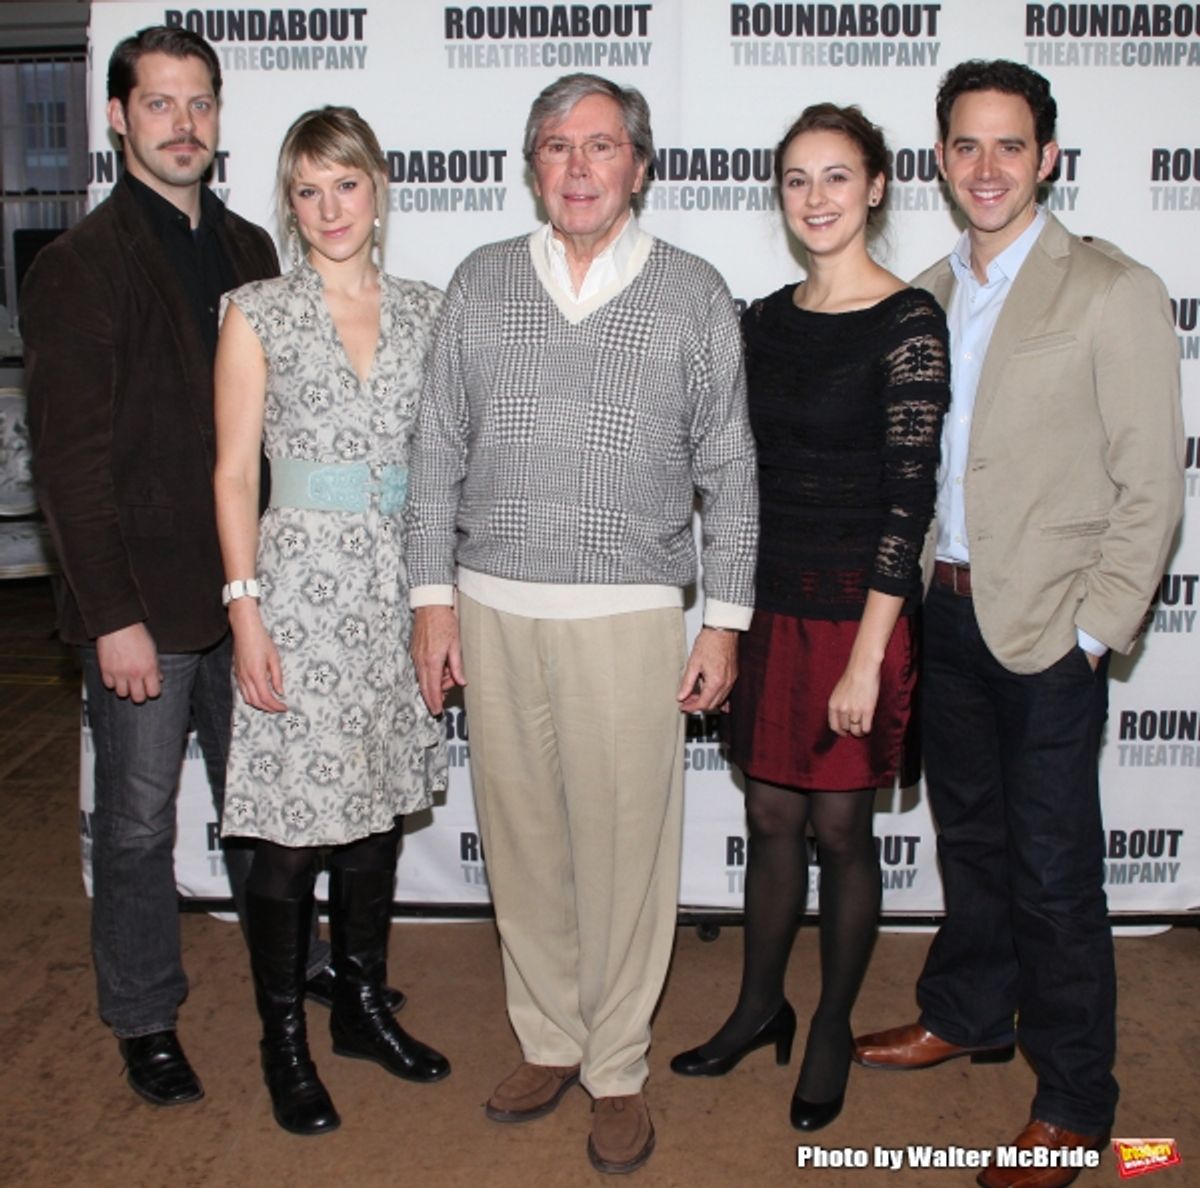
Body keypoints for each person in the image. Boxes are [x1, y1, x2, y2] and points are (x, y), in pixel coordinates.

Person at [407, 73, 757, 1175]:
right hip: (492, 606)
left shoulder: (694, 292)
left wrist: (725, 623)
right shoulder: (480, 281)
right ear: (533, 166)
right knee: (522, 842)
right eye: (557, 146)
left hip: (631, 615)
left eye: (601, 145)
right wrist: (430, 600)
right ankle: (549, 1038)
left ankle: (615, 1065)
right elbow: (436, 449)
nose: (578, 166)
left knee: (625, 854)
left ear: (638, 166)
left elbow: (732, 470)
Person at [852, 61, 1183, 1188]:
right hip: (944, 616)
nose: (986, 167)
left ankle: (1077, 1105)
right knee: (972, 841)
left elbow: (1153, 485)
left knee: (1053, 872)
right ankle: (967, 1012)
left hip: (1048, 631)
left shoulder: (1110, 288)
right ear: (940, 159)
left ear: (1047, 158)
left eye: (1009, 145)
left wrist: (1094, 633)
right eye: (965, 145)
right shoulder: (924, 297)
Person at [21, 24, 299, 1108]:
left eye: (199, 104)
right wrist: (112, 616)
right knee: (138, 828)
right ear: (117, 117)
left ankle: (286, 978)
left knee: (265, 810)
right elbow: (70, 465)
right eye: (159, 104)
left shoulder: (253, 250)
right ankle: (143, 1015)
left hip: (250, 595)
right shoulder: (77, 267)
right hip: (144, 603)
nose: (182, 125)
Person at [670, 104, 949, 1132]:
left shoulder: (910, 322)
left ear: (875, 187)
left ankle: (830, 1023)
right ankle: (758, 1006)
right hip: (771, 607)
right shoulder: (760, 322)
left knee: (840, 826)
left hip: (858, 619)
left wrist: (869, 660)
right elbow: (728, 475)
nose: (816, 197)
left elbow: (907, 503)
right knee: (769, 816)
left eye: (837, 176)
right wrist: (726, 619)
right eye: (797, 179)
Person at [212, 106, 450, 1137]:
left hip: (396, 590)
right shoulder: (256, 312)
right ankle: (284, 1039)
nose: (329, 207)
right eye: (307, 191)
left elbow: (443, 470)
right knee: (288, 834)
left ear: (378, 188)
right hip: (299, 590)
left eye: (345, 184)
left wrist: (439, 602)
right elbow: (232, 475)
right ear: (289, 204)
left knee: (376, 813)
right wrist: (245, 610)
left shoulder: (430, 311)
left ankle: (359, 1007)